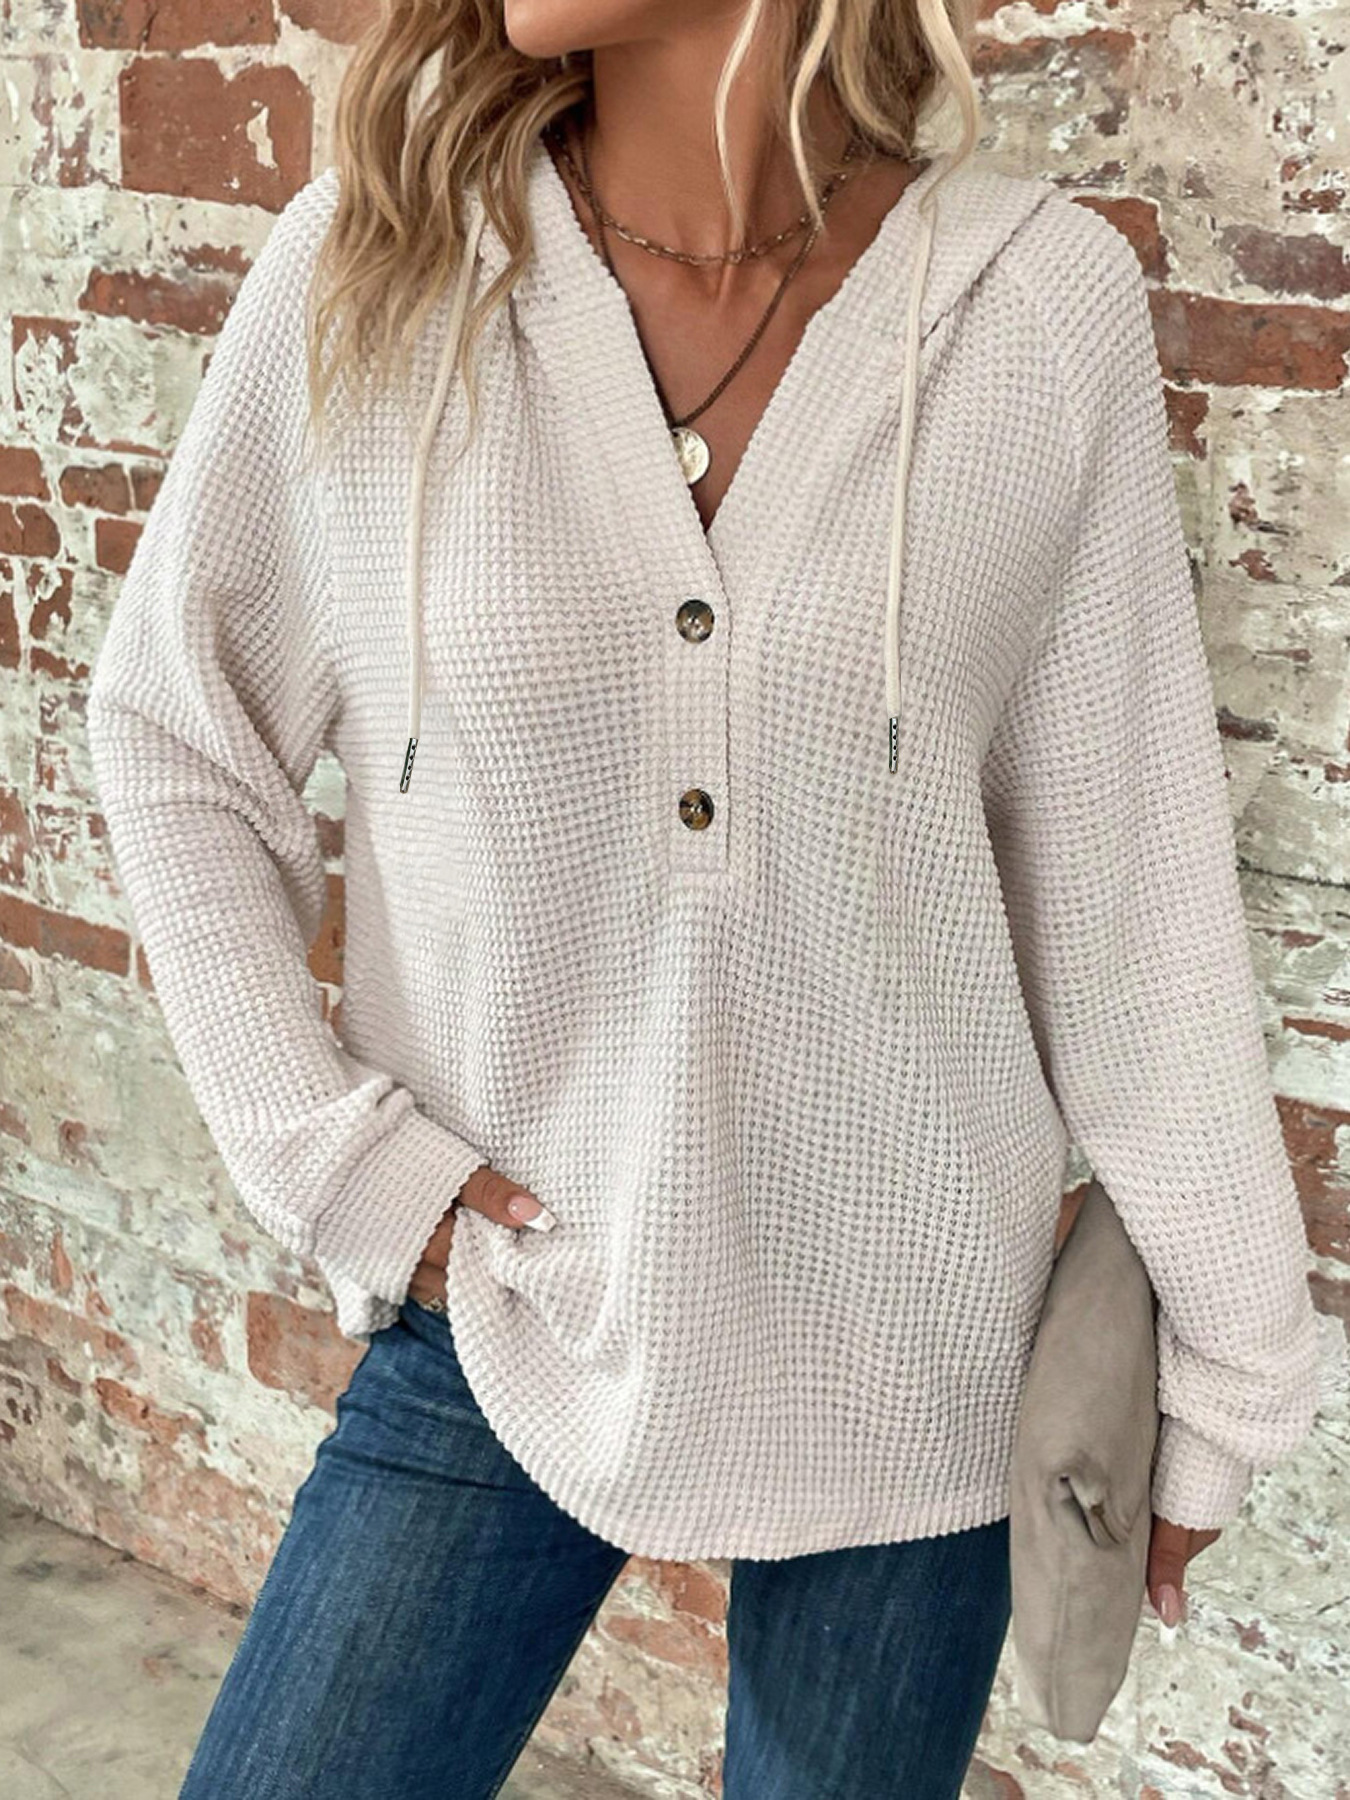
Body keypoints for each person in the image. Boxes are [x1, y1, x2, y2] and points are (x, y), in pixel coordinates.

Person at [84, 1, 1323, 1795]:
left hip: (916, 1356)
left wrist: (1227, 1371)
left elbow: (1125, 887)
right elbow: (179, 737)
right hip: (510, 1299)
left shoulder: (1034, 308)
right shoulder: (383, 268)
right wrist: (333, 1161)